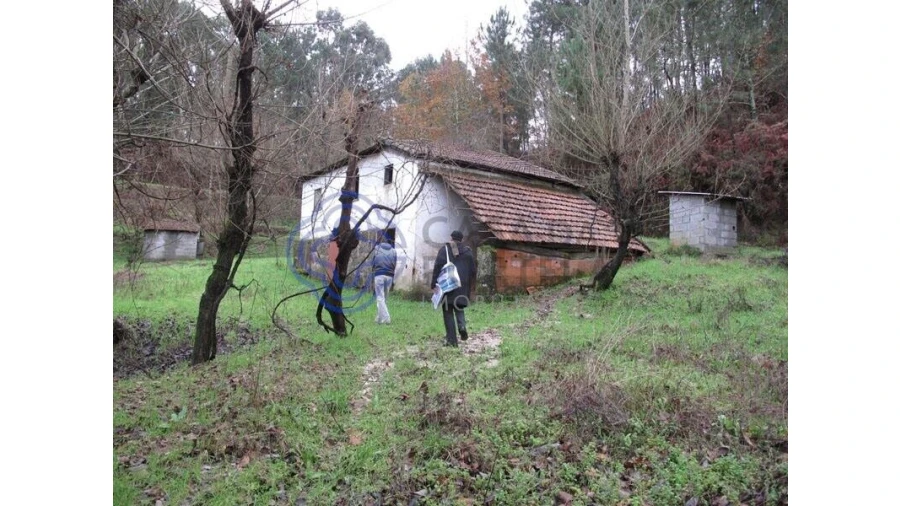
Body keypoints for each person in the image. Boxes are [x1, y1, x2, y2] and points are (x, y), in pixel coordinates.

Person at [431, 230, 476, 347]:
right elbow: (473, 271)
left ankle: (452, 341)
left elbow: (437, 267)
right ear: (461, 239)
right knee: (459, 305)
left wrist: (433, 284)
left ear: (451, 238)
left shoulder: (445, 250)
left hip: (448, 286)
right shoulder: (468, 252)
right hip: (462, 286)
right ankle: (462, 326)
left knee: (448, 311)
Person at [372, 233, 397, 324]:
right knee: (384, 298)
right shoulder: (394, 251)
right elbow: (395, 263)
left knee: (380, 297)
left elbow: (373, 262)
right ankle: (379, 318)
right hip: (389, 275)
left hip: (379, 275)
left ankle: (386, 318)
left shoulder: (376, 249)